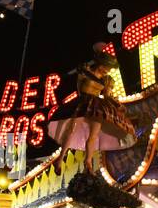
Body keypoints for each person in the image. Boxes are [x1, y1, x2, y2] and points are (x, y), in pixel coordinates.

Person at [48, 42, 135, 174]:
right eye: (107, 67)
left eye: (110, 69)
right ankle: (60, 159)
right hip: (83, 102)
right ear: (101, 64)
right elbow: (79, 88)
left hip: (97, 107)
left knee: (93, 135)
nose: (108, 71)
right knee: (70, 130)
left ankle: (87, 162)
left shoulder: (107, 80)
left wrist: (117, 104)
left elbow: (107, 96)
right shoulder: (85, 71)